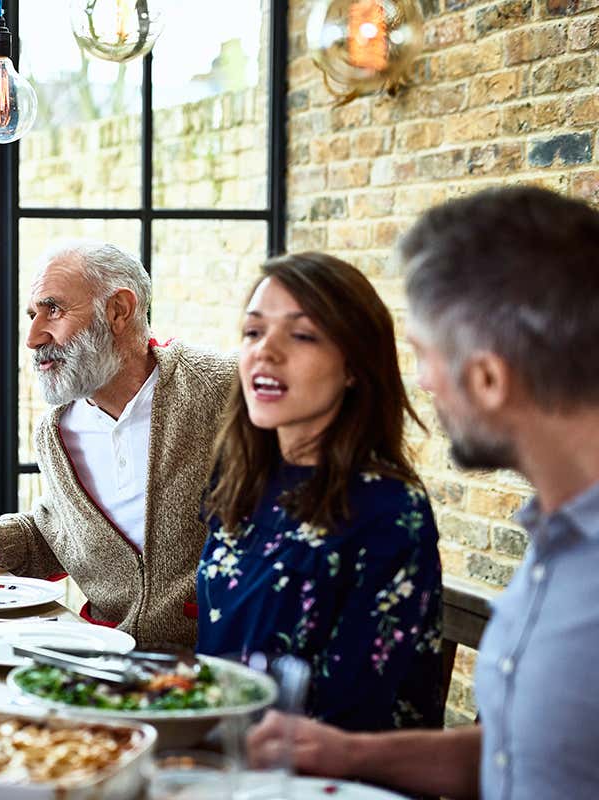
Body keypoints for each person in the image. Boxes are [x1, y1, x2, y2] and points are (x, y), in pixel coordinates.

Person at [247, 186, 599, 799]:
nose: (426, 382)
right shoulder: (557, 541)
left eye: (426, 355)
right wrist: (348, 753)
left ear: (488, 378)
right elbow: (520, 751)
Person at [0, 240, 236, 647]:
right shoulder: (56, 432)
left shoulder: (225, 390)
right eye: (32, 315)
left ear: (119, 311)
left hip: (222, 659)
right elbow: (62, 533)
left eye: (54, 310)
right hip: (104, 658)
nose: (32, 337)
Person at [195, 252, 443, 732]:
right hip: (219, 754)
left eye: (302, 335)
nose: (265, 351)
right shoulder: (243, 477)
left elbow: (352, 714)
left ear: (354, 366)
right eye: (253, 331)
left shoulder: (388, 508)